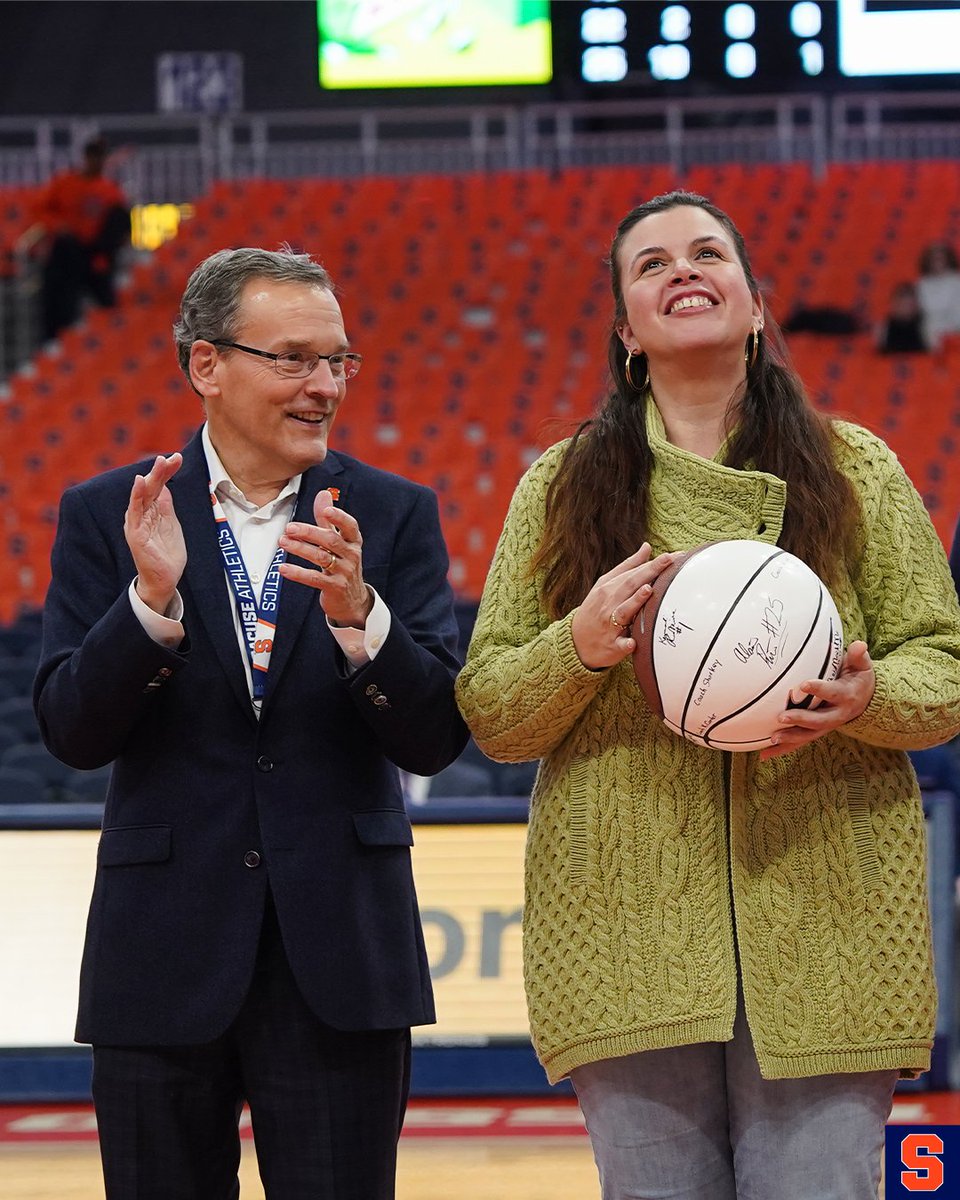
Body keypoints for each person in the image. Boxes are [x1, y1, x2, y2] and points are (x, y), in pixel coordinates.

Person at [455, 191, 960, 1200]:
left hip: (831, 925)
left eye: (706, 254)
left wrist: (865, 698)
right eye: (650, 266)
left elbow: (943, 669)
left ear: (757, 306)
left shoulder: (857, 466)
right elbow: (492, 712)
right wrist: (581, 645)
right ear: (625, 334)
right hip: (623, 932)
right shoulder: (560, 487)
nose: (682, 271)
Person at [34, 246, 468, 1199]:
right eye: (294, 359)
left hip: (341, 961)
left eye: (338, 361)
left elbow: (435, 735)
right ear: (206, 365)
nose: (323, 386)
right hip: (160, 953)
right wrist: (149, 604)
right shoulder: (113, 512)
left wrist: (364, 622)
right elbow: (70, 731)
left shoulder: (392, 517)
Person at [19, 136, 130, 341]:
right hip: (67, 251)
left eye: (99, 157)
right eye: (92, 156)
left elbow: (118, 228)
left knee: (107, 302)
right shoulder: (65, 182)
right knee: (56, 303)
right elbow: (38, 209)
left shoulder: (110, 191)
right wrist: (57, 225)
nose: (95, 161)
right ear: (85, 158)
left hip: (93, 253)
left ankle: (109, 344)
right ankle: (54, 344)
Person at [916, 239, 960, 353]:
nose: (937, 262)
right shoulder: (920, 285)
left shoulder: (957, 281)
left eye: (941, 258)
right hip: (930, 333)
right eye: (934, 258)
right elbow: (922, 313)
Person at [876, 279, 927, 354]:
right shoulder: (884, 327)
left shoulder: (925, 325)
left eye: (909, 304)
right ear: (894, 303)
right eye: (902, 302)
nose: (905, 307)